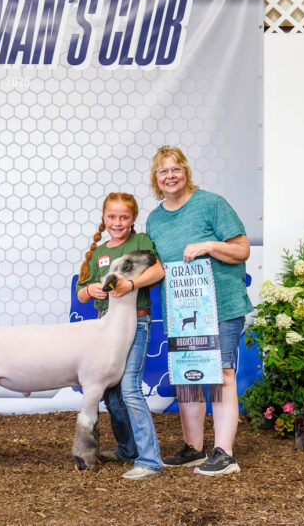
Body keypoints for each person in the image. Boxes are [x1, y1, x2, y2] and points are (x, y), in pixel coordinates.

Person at [146, 146, 252, 477]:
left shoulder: (211, 204)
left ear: (186, 172)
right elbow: (158, 267)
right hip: (182, 309)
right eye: (163, 171)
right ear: (156, 179)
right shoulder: (154, 220)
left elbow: (242, 249)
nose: (171, 176)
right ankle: (194, 448)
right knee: (188, 377)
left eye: (176, 169)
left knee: (221, 375)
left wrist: (208, 246)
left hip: (221, 305)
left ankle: (225, 454)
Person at [76, 192, 165, 480]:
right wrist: (90, 290)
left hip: (136, 322)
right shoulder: (99, 253)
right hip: (106, 327)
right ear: (104, 218)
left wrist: (132, 284)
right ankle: (128, 450)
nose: (117, 222)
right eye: (112, 217)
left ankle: (150, 460)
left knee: (130, 388)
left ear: (133, 219)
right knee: (112, 394)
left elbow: (158, 271)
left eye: (124, 217)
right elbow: (82, 294)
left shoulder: (140, 243)